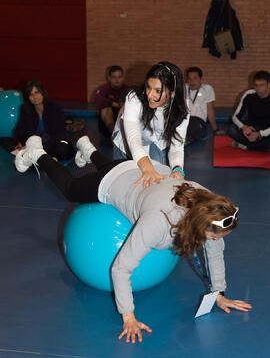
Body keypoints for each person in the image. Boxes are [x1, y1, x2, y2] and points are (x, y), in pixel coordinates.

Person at [14, 134, 252, 343]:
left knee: (115, 166)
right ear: (200, 223)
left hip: (144, 171)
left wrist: (219, 293)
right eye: (213, 234)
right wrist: (128, 316)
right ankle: (38, 153)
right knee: (71, 188)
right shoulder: (157, 223)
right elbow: (120, 268)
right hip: (117, 181)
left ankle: (88, 149)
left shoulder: (208, 203)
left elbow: (215, 249)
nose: (214, 239)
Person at [113, 61, 190, 187]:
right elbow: (133, 139)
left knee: (159, 182)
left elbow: (177, 145)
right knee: (122, 184)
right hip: (125, 142)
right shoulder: (134, 98)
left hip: (157, 142)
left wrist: (177, 168)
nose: (150, 95)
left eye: (158, 90)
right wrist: (147, 167)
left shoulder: (181, 108)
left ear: (172, 93)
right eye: (148, 87)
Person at [12, 81, 75, 161]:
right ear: (27, 97)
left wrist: (41, 147)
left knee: (63, 147)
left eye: (37, 92)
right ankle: (43, 157)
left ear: (42, 92)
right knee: (6, 141)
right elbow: (19, 129)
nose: (35, 97)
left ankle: (44, 157)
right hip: (33, 145)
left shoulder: (55, 108)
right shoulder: (25, 109)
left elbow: (59, 135)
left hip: (52, 144)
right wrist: (19, 141)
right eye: (31, 95)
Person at [228, 70, 270, 151]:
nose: (258, 89)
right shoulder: (249, 94)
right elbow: (235, 117)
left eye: (262, 85)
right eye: (256, 85)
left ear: (269, 85)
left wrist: (260, 134)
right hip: (251, 128)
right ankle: (261, 146)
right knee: (232, 130)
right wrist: (244, 127)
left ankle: (245, 146)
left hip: (267, 130)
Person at [185, 67, 224, 144]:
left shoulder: (207, 89)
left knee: (195, 128)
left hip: (198, 121)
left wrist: (215, 129)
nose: (192, 81)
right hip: (185, 119)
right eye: (189, 79)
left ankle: (185, 140)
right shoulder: (183, 88)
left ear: (200, 79)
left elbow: (210, 110)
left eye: (195, 78)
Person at [95, 65, 128, 136]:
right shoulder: (104, 89)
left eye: (119, 77)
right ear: (109, 78)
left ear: (123, 78)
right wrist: (115, 104)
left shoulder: (127, 90)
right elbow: (98, 101)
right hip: (107, 127)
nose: (117, 80)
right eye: (114, 77)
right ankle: (114, 133)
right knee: (106, 108)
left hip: (123, 124)